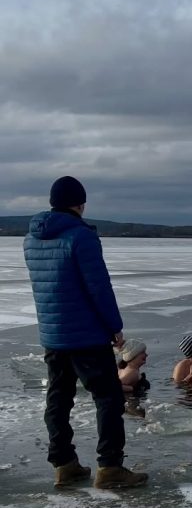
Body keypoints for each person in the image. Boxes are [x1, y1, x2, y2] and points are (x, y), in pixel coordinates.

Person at [23, 176, 147, 489]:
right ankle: (110, 467)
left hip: (53, 334)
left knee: (58, 398)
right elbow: (98, 288)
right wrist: (113, 326)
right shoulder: (81, 237)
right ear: (80, 204)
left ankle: (64, 464)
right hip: (86, 335)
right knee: (108, 398)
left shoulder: (31, 240)